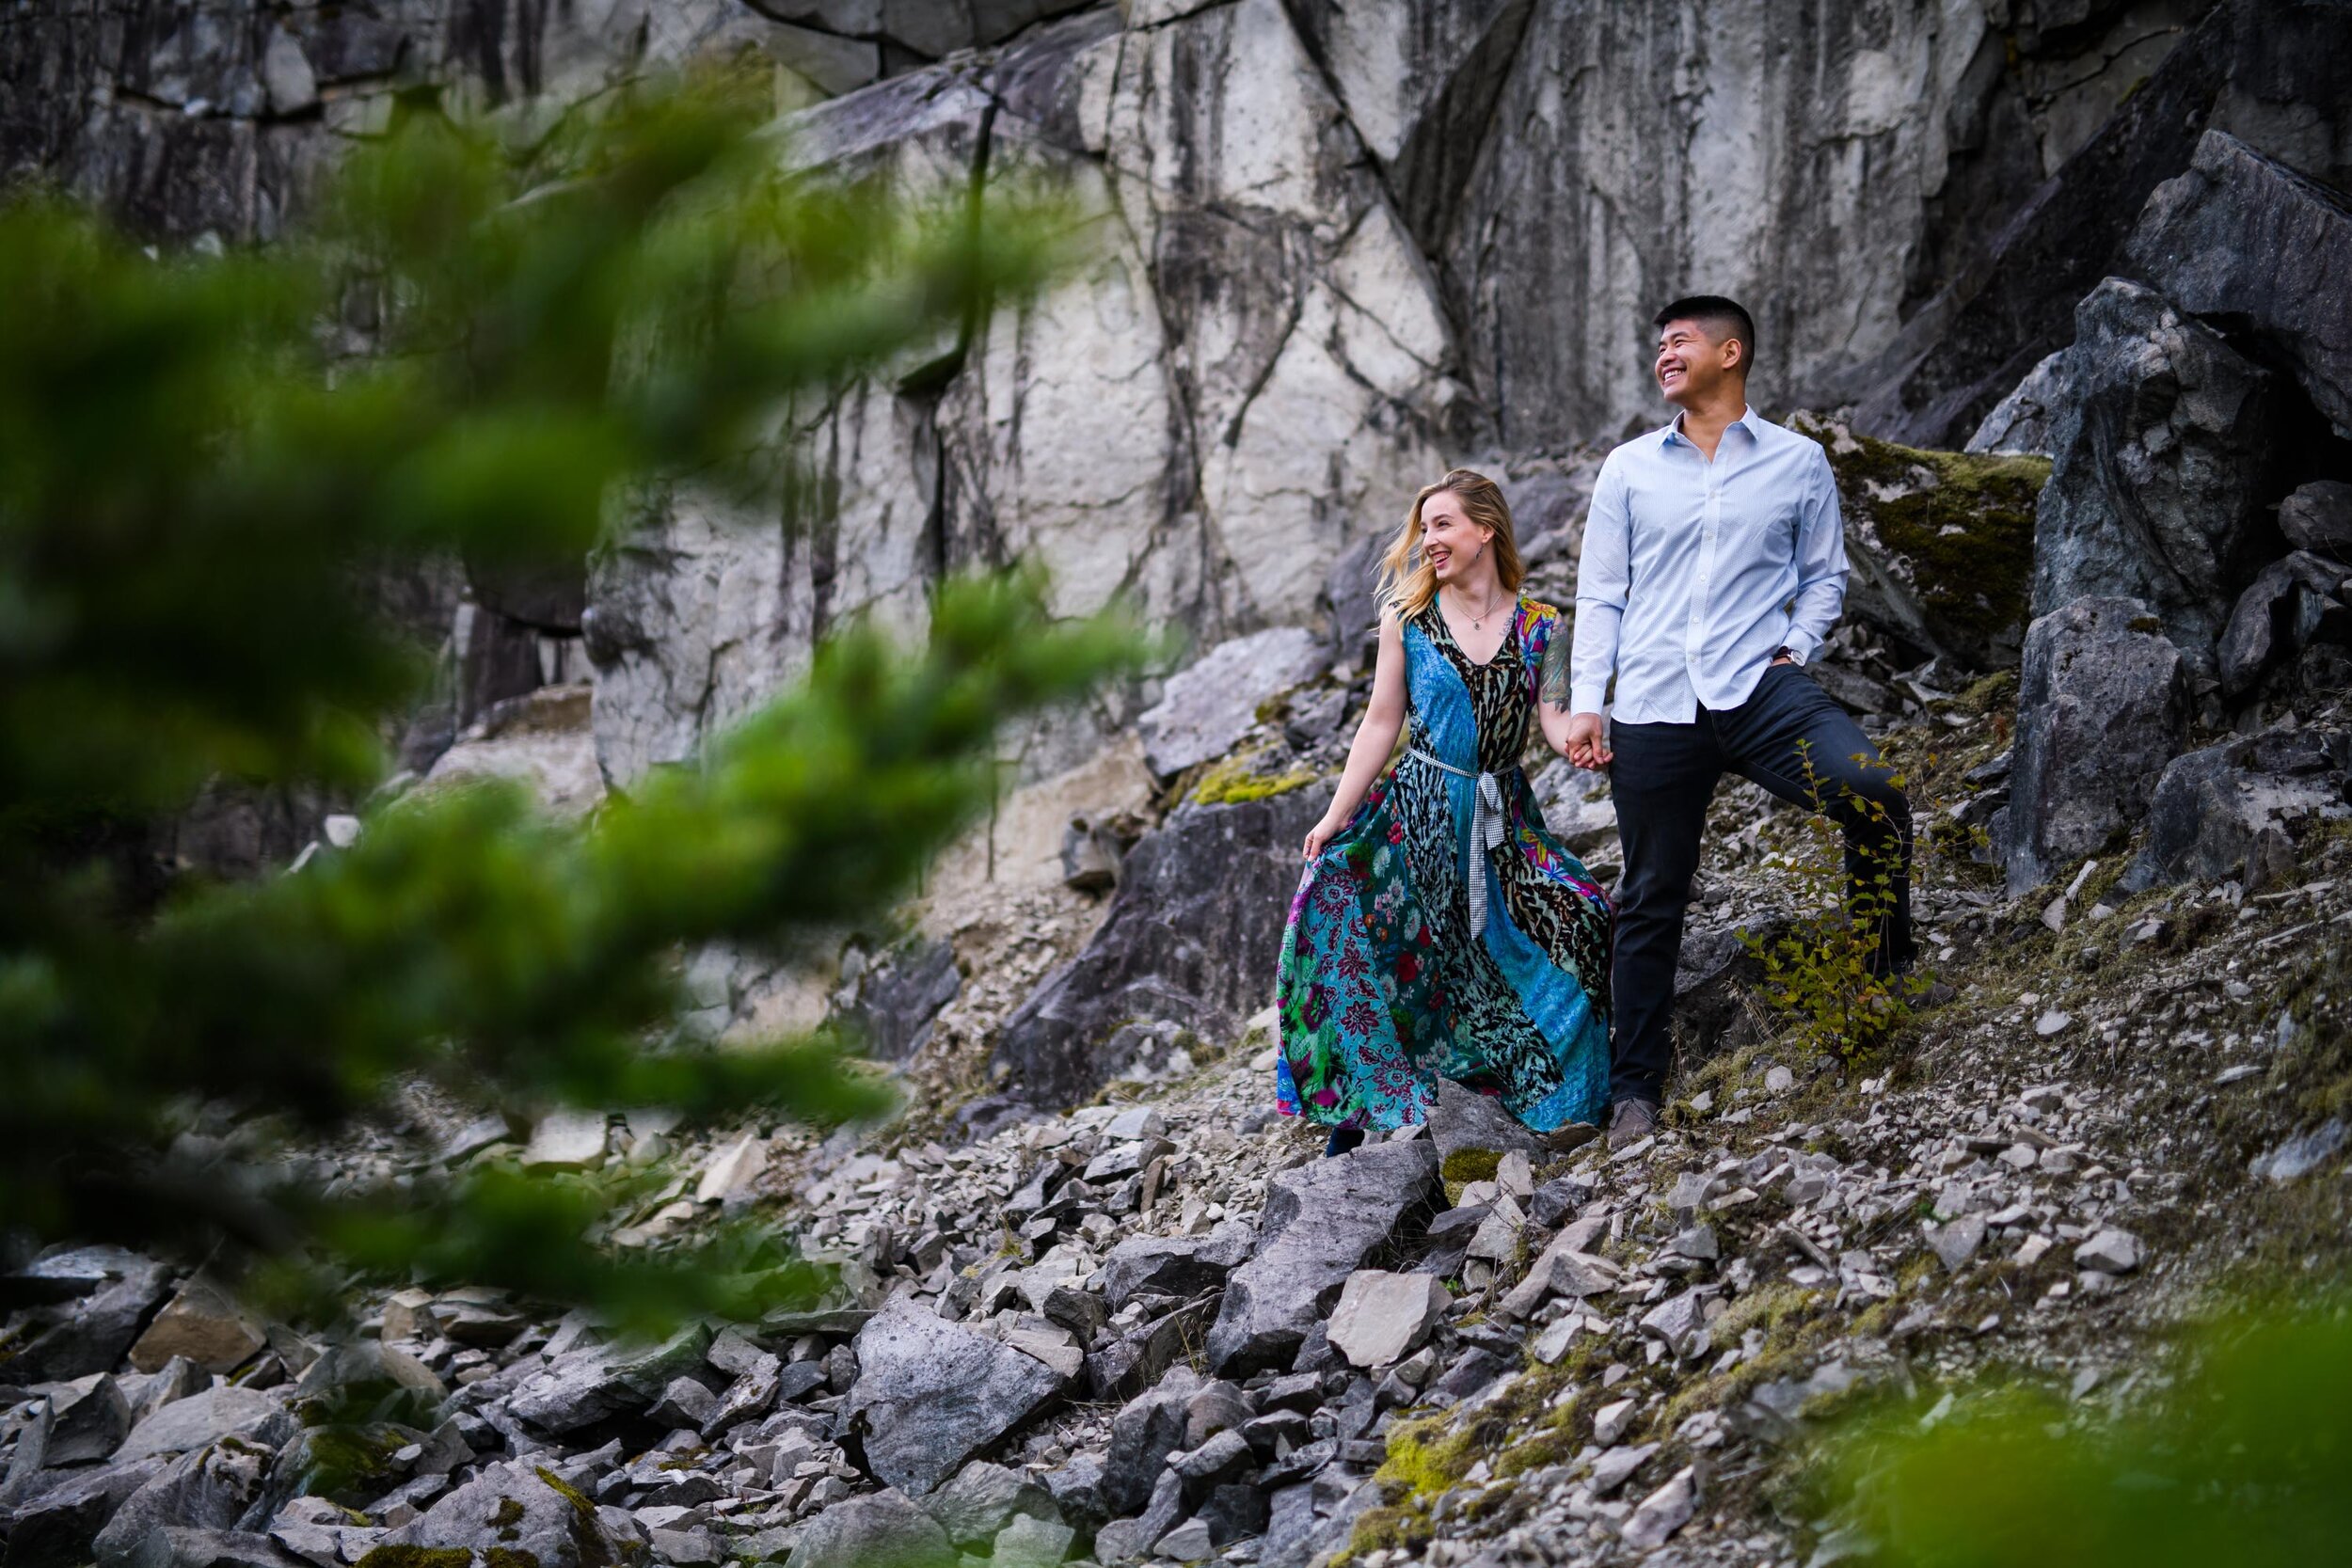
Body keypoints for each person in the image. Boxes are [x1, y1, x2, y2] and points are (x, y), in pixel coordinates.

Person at [1565, 296, 1915, 1153]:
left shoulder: (1797, 463)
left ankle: (1884, 984)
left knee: (1874, 792)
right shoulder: (1629, 469)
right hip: (1651, 702)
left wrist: (1795, 646)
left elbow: (1825, 574)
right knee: (1651, 897)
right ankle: (1635, 1091)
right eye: (1658, 345)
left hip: (1761, 691)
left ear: (1732, 352)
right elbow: (1601, 593)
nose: (1663, 356)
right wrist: (1587, 699)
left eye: (1679, 341)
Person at [1274, 469, 1615, 1157]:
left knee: (1583, 919)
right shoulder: (1405, 619)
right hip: (1419, 811)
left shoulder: (1543, 626)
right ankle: (1366, 1126)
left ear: (1485, 529)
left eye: (1443, 524)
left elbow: (1552, 721)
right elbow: (1379, 722)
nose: (1428, 540)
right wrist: (1335, 815)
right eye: (1424, 527)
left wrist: (1583, 737)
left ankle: (1549, 1110)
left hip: (1504, 816)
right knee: (1409, 961)